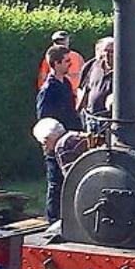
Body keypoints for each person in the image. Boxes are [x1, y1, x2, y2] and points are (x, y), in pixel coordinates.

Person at [36, 45, 83, 220]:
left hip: (70, 140)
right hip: (55, 142)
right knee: (55, 182)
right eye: (66, 61)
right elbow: (44, 118)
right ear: (55, 63)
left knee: (69, 179)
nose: (70, 65)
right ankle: (53, 219)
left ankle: (67, 216)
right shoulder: (49, 89)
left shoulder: (66, 83)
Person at [78, 36, 114, 132]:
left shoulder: (123, 72)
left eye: (111, 51)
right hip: (90, 119)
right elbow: (83, 89)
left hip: (108, 123)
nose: (107, 54)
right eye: (105, 50)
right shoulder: (92, 65)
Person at [35, 31, 85, 98]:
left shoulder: (77, 57)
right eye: (58, 41)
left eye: (63, 40)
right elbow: (42, 81)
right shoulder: (49, 59)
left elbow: (85, 78)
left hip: (75, 98)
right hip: (57, 96)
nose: (62, 43)